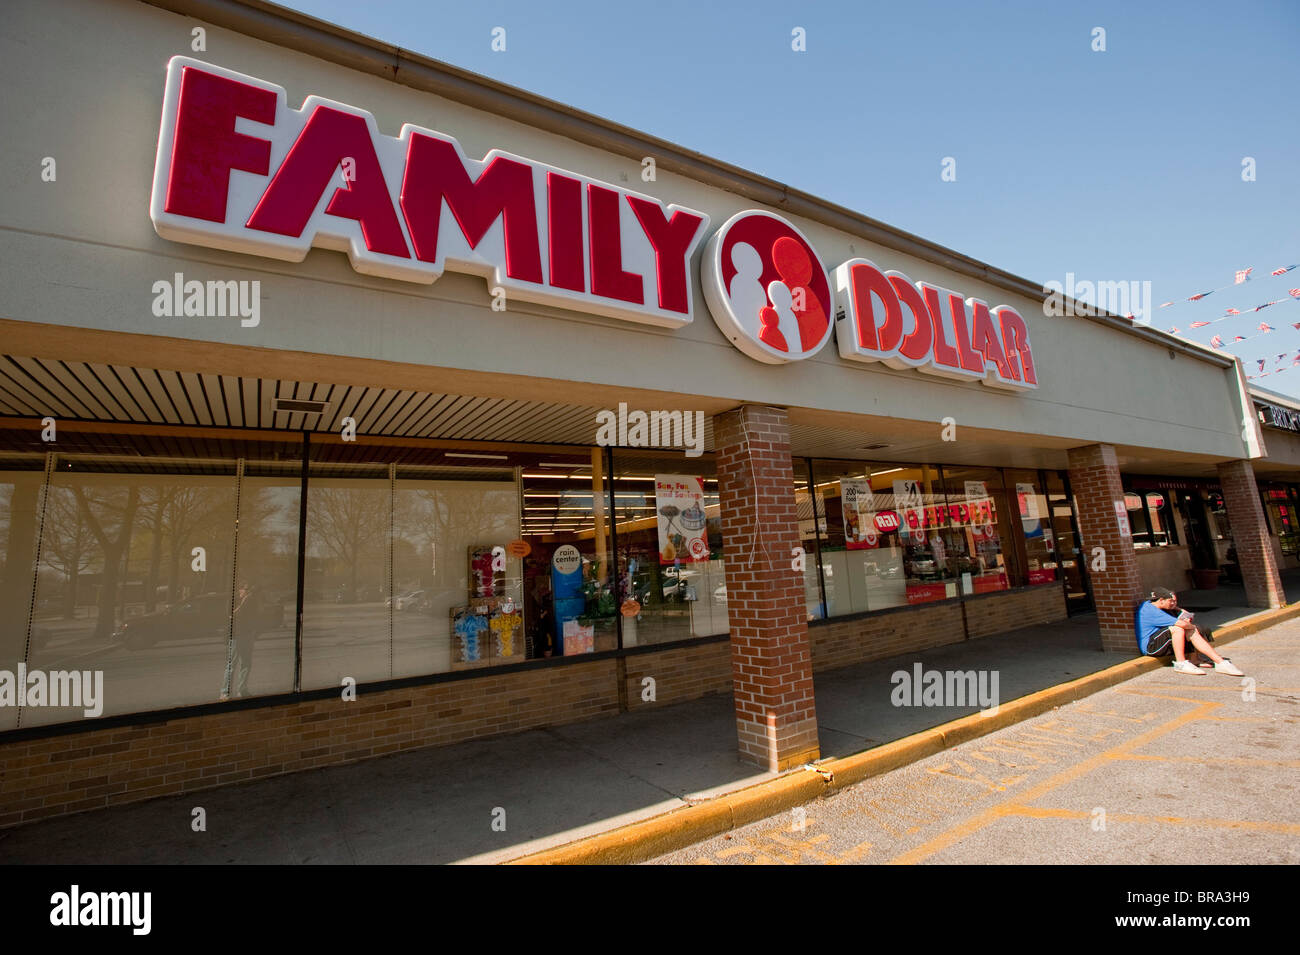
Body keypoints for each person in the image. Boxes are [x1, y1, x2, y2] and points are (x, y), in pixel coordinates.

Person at [1135, 587, 1243, 676]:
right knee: (1179, 629)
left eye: (1174, 601)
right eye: (1170, 601)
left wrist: (1178, 609)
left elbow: (1183, 621)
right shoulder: (1151, 611)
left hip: (1160, 642)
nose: (1173, 603)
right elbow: (1182, 624)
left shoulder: (1153, 605)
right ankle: (1181, 663)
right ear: (1161, 600)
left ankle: (1219, 662)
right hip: (1151, 647)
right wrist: (1187, 623)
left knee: (1191, 628)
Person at [220, 582, 261, 699]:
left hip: (248, 635)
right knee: (232, 664)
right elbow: (233, 615)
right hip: (236, 636)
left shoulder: (252, 601)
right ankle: (225, 692)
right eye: (244, 589)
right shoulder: (234, 601)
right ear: (240, 590)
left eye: (248, 590)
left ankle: (242, 689)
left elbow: (256, 616)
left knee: (246, 663)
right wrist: (244, 602)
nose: (246, 592)